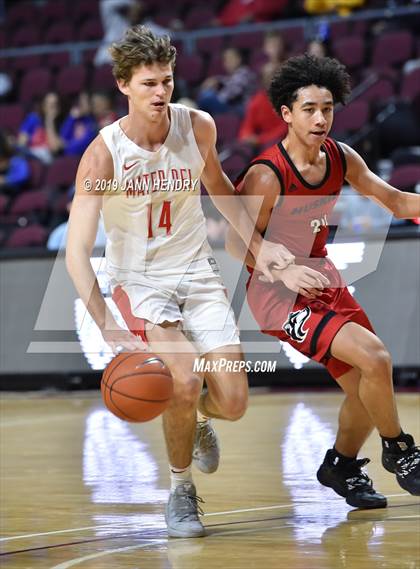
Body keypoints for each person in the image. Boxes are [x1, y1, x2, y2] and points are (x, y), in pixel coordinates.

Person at [66, 25, 294, 538]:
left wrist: (259, 248)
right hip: (139, 282)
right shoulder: (103, 157)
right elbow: (77, 252)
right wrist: (105, 323)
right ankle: (181, 490)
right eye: (147, 83)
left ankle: (198, 422)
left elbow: (222, 193)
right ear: (123, 85)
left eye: (166, 81)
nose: (160, 92)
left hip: (196, 272)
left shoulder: (198, 128)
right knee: (185, 379)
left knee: (233, 401)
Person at [226, 54, 420, 508]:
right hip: (277, 294)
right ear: (286, 114)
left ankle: (341, 465)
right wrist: (282, 267)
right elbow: (237, 245)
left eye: (328, 108)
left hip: (322, 277)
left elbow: (394, 201)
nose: (320, 118)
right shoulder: (265, 175)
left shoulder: (340, 157)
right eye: (309, 109)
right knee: (376, 359)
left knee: (366, 389)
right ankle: (402, 452)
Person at [198, 47, 255, 115]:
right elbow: (226, 81)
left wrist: (215, 91)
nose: (228, 62)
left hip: (243, 109)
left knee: (207, 96)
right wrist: (216, 81)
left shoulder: (244, 72)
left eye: (231, 58)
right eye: (226, 60)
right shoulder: (232, 76)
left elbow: (230, 94)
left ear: (239, 59)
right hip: (232, 106)